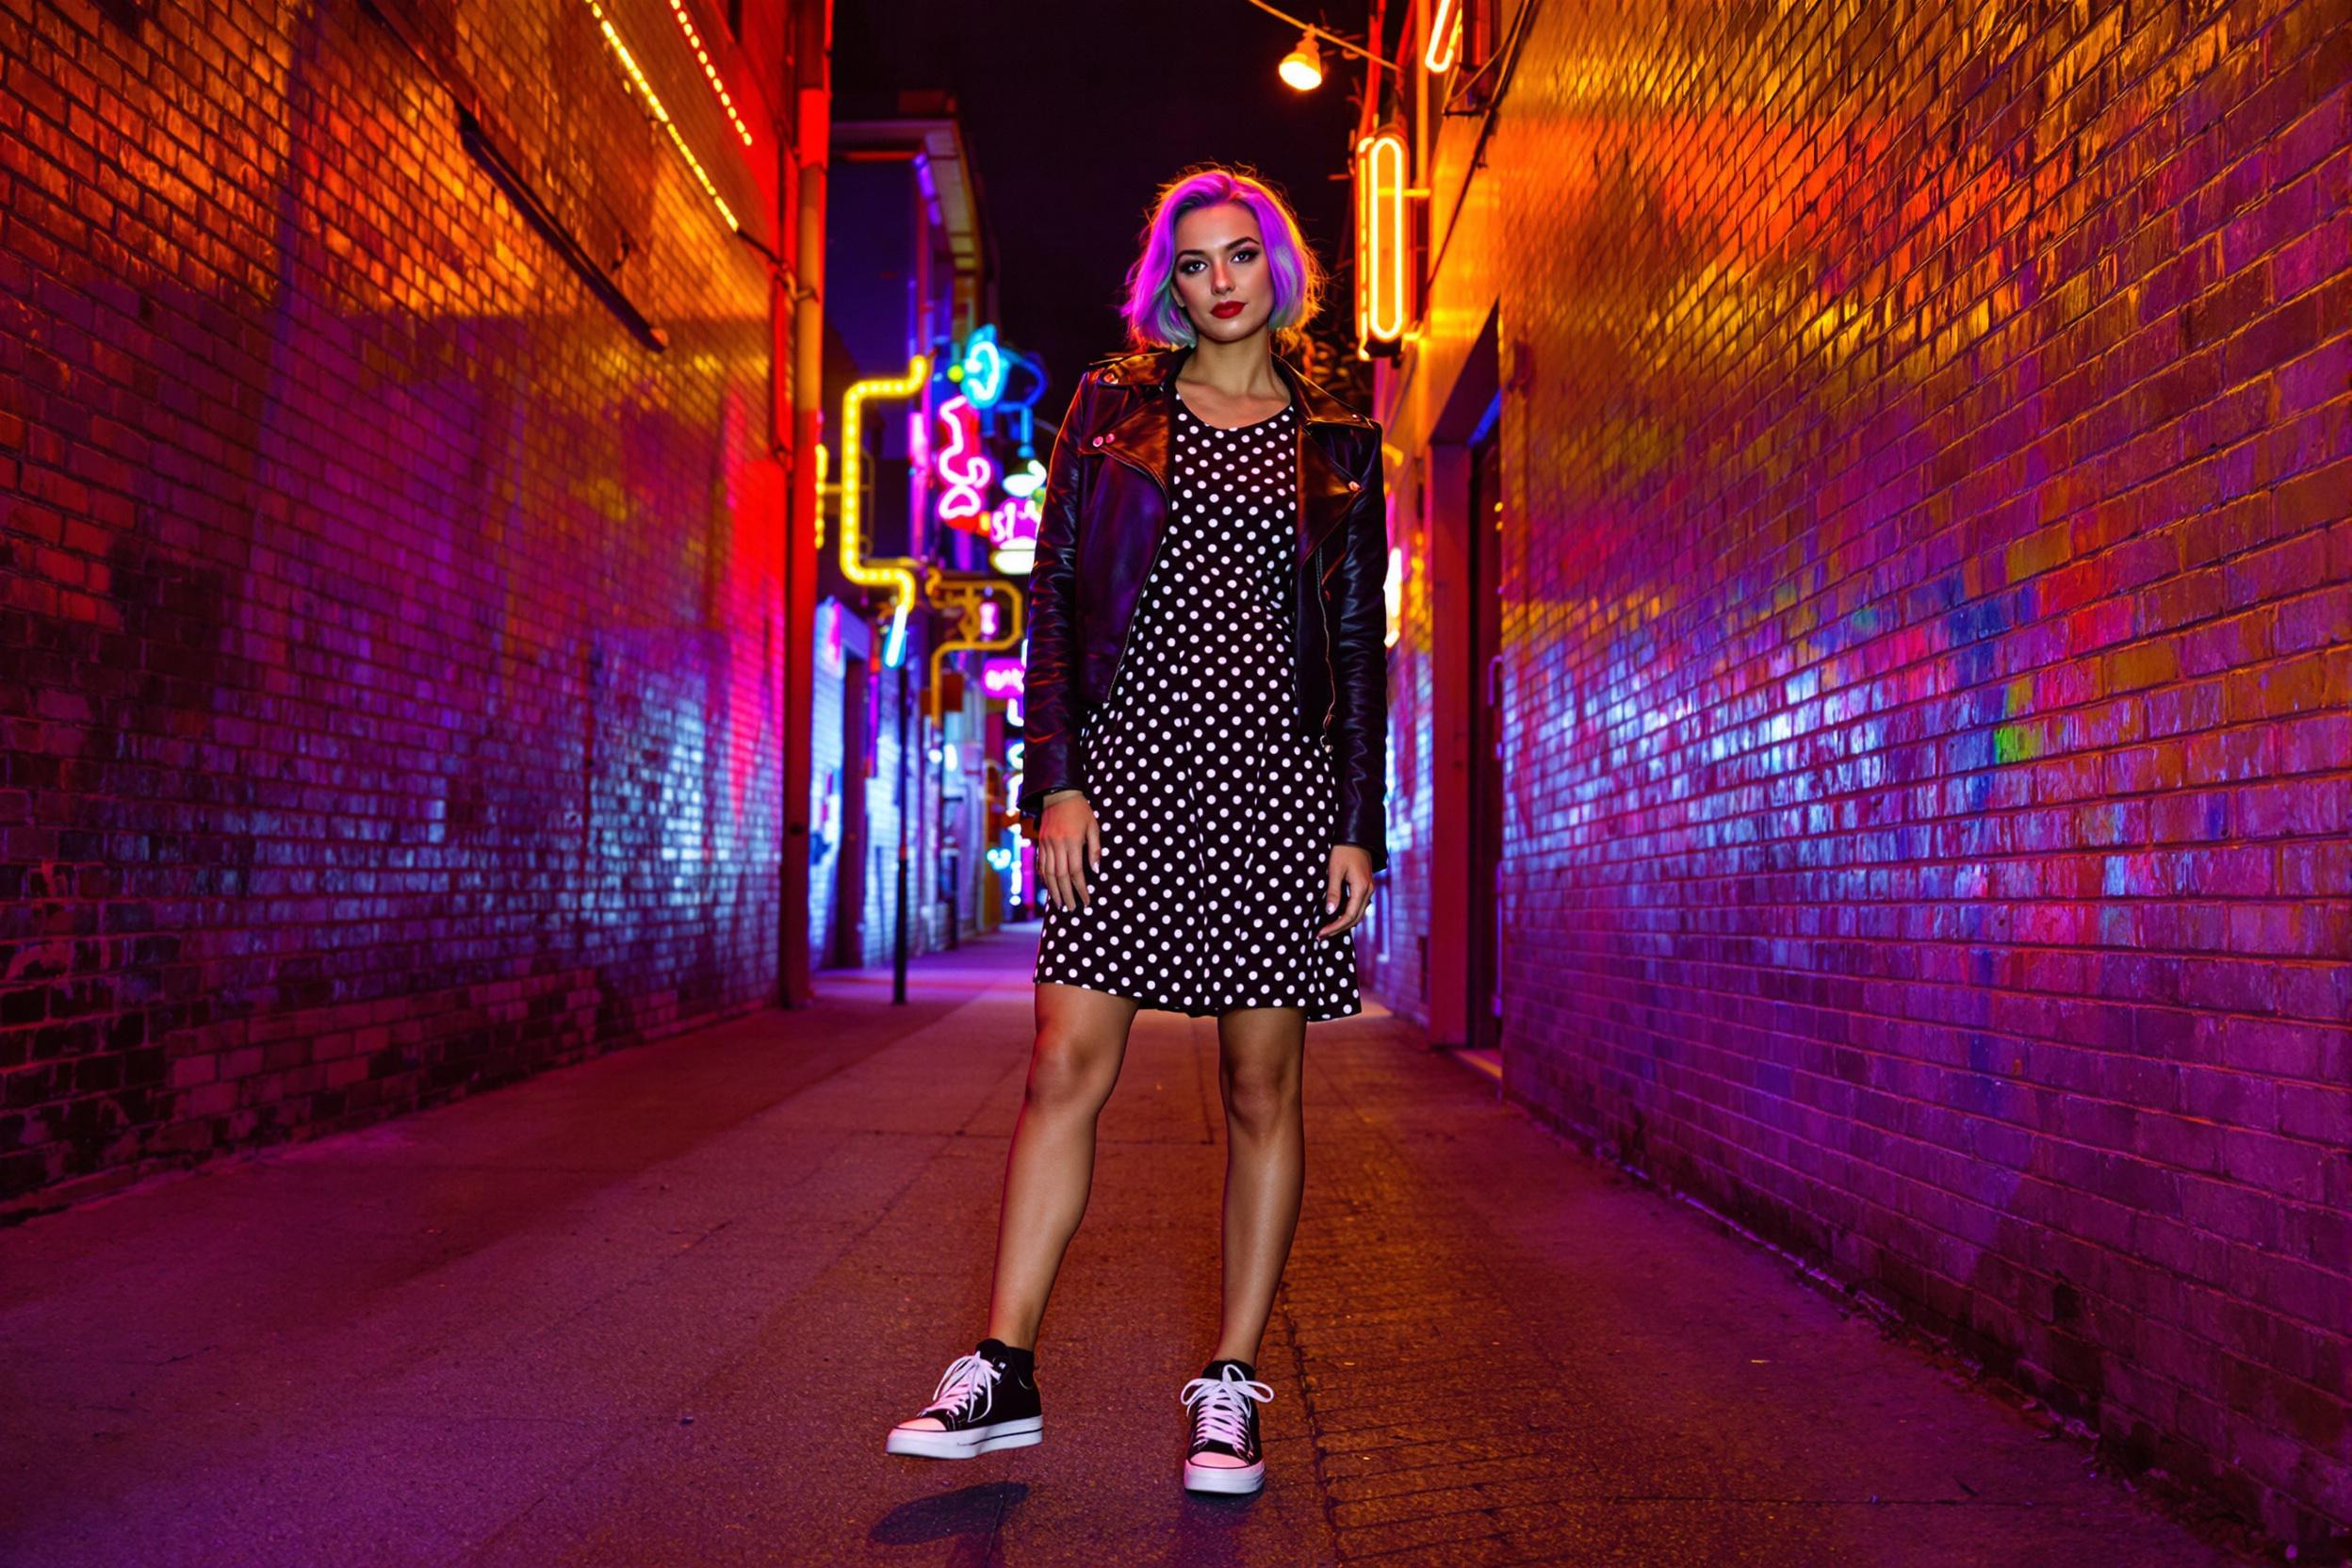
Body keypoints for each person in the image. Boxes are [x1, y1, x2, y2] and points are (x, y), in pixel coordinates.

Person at [884, 165, 1390, 1496]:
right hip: (1133, 772)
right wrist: (1055, 777)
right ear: (1166, 284)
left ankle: (1230, 1386)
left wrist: (1354, 825)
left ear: (1280, 269)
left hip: (1278, 786)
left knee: (1259, 1088)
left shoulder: (1339, 439)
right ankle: (1004, 1363)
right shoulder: (1111, 413)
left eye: (1241, 257)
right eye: (1193, 263)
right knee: (1064, 1061)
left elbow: (1355, 645)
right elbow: (1052, 598)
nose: (1220, 282)